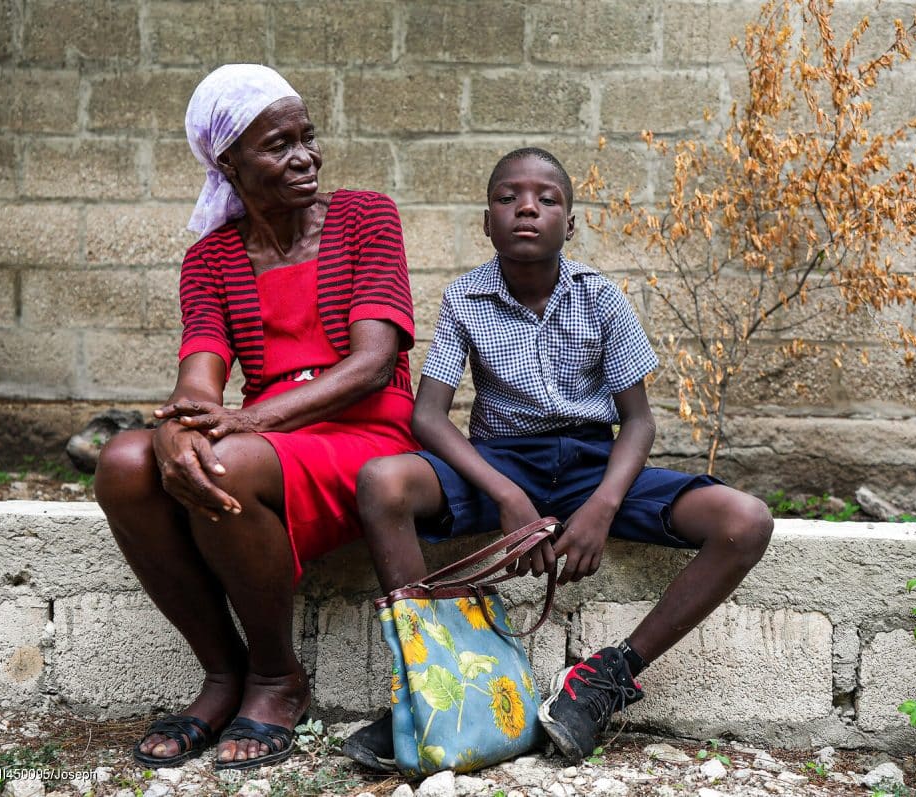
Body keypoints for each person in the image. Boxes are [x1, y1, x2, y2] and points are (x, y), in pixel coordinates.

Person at [342, 147, 773, 770]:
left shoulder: (602, 297)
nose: (527, 208)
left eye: (547, 199)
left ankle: (603, 681)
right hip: (501, 463)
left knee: (746, 520)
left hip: (593, 468)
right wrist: (506, 494)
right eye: (508, 197)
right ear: (486, 222)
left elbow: (639, 421)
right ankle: (435, 686)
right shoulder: (465, 297)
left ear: (569, 224)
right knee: (383, 481)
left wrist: (603, 505)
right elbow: (428, 416)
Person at [94, 64, 417, 772]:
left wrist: (243, 422)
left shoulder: (365, 216)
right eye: (279, 145)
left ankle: (275, 677)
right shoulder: (211, 258)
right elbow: (199, 379)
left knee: (223, 459)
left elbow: (372, 363)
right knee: (123, 462)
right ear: (230, 163)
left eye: (308, 137)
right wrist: (176, 428)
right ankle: (222, 673)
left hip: (367, 431)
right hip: (272, 438)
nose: (306, 157)